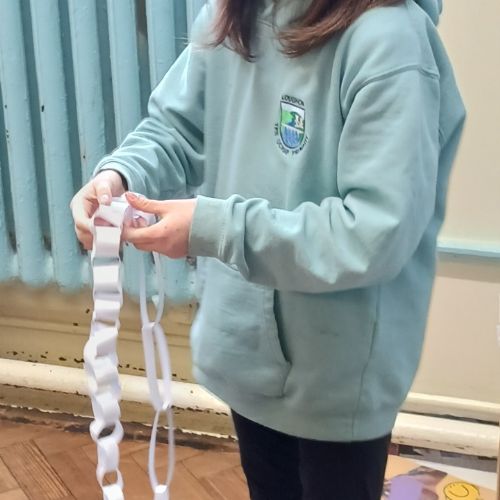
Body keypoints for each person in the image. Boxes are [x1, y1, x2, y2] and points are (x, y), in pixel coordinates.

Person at [71, 0, 465, 498]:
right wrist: (120, 175)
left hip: (337, 377)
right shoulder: (230, 14)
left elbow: (373, 234)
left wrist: (216, 227)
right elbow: (176, 129)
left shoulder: (390, 42)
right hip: (249, 353)